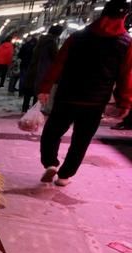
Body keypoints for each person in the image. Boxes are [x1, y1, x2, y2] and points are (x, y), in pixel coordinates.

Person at [38, 0, 132, 186]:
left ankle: (50, 163)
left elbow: (58, 63)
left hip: (67, 96)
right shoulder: (126, 44)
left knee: (52, 132)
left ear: (102, 13)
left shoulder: (77, 37)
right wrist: (125, 102)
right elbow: (125, 75)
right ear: (125, 17)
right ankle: (64, 176)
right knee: (81, 141)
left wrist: (45, 88)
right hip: (95, 102)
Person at [22, 26, 63, 112]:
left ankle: (24, 109)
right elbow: (55, 57)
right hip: (43, 69)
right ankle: (35, 111)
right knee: (38, 91)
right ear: (58, 34)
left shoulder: (41, 41)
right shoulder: (51, 42)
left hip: (33, 68)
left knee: (30, 90)